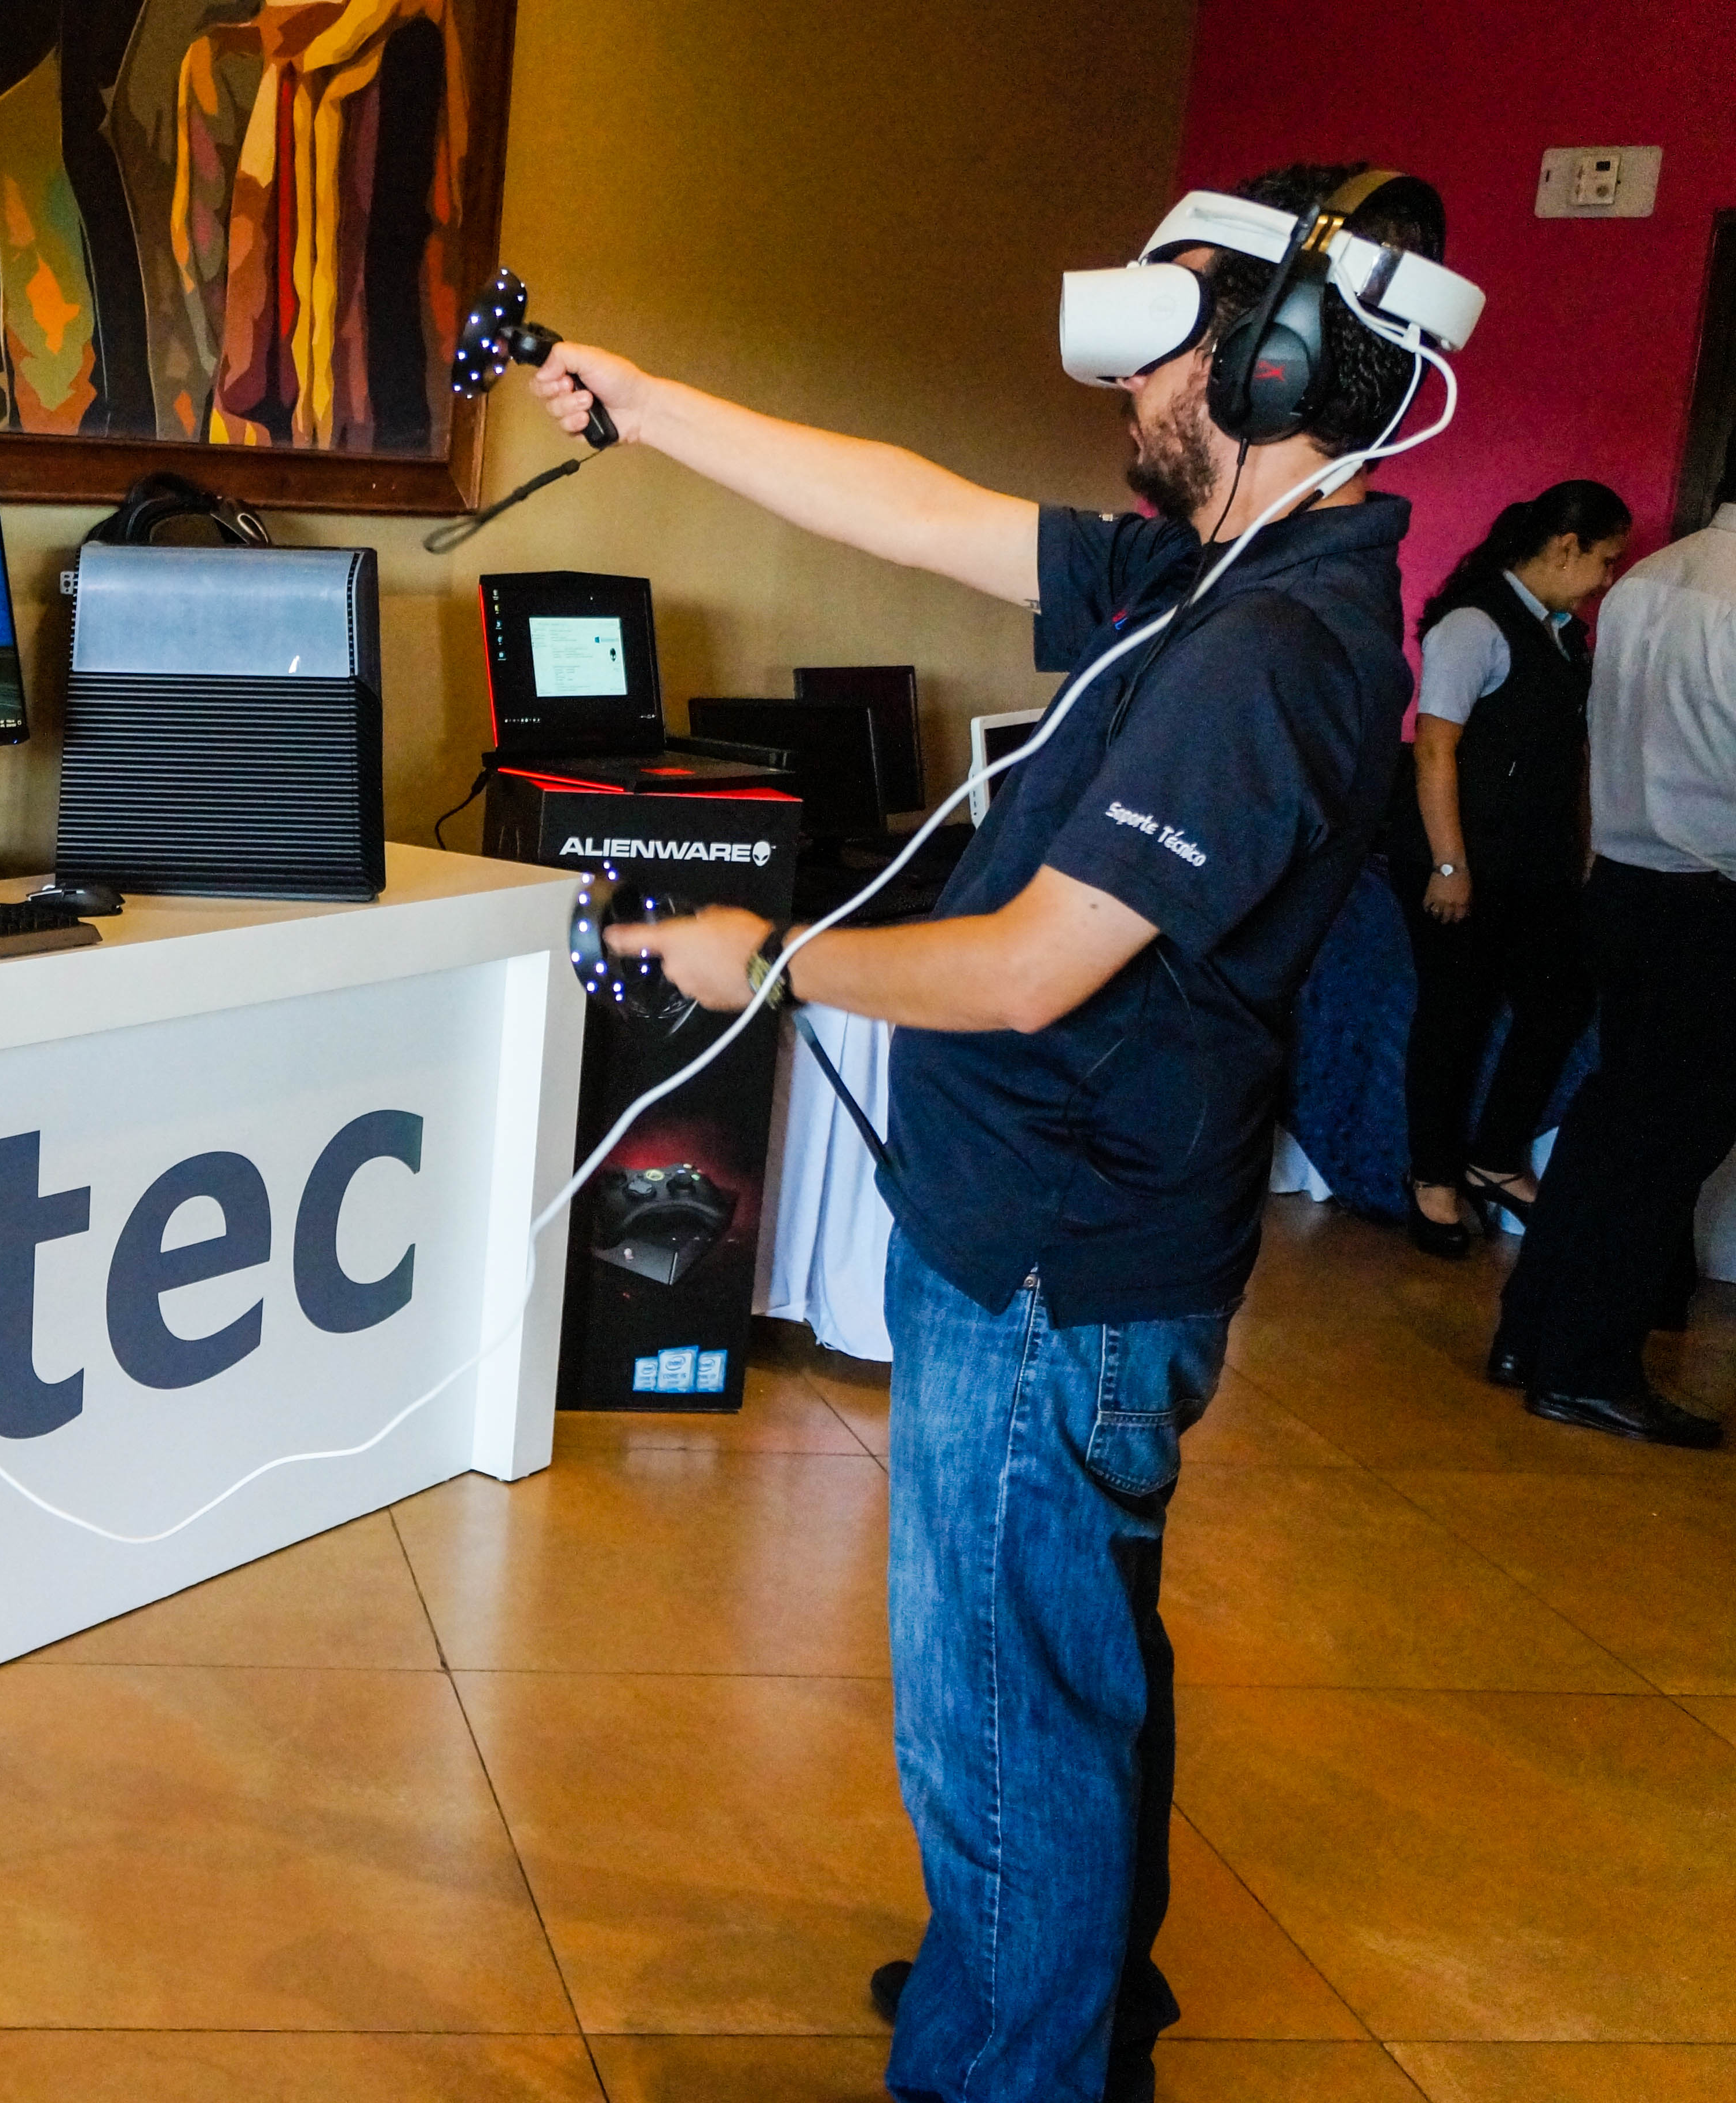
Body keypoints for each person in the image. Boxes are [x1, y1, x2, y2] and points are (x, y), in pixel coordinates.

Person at [541, 163, 1452, 2102]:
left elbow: (1037, 968)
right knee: (1058, 1675)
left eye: (1165, 350)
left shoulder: (1270, 653)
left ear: (1277, 369)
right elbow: (917, 509)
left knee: (1001, 1721)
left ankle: (1020, 2060)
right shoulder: (1216, 574)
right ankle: (1044, 1995)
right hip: (1046, 1232)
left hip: (1058, 1265)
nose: (1126, 391)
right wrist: (648, 400)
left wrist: (771, 960)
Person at [1486, 444, 1736, 1450]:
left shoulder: (1644, 582)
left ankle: (1530, 1333)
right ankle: (1588, 1369)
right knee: (1665, 1144)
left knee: (1611, 1119)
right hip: (1710, 898)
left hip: (1625, 885)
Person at [1390, 482, 1630, 1255]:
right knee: (1455, 1012)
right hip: (1462, 856)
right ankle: (1432, 1176)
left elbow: (1570, 753)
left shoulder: (1563, 635)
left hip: (1536, 862)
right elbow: (1435, 749)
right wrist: (1449, 865)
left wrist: (1584, 848)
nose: (1606, 579)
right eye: (1605, 560)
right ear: (1565, 545)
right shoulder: (1473, 624)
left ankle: (1494, 1156)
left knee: (1562, 998)